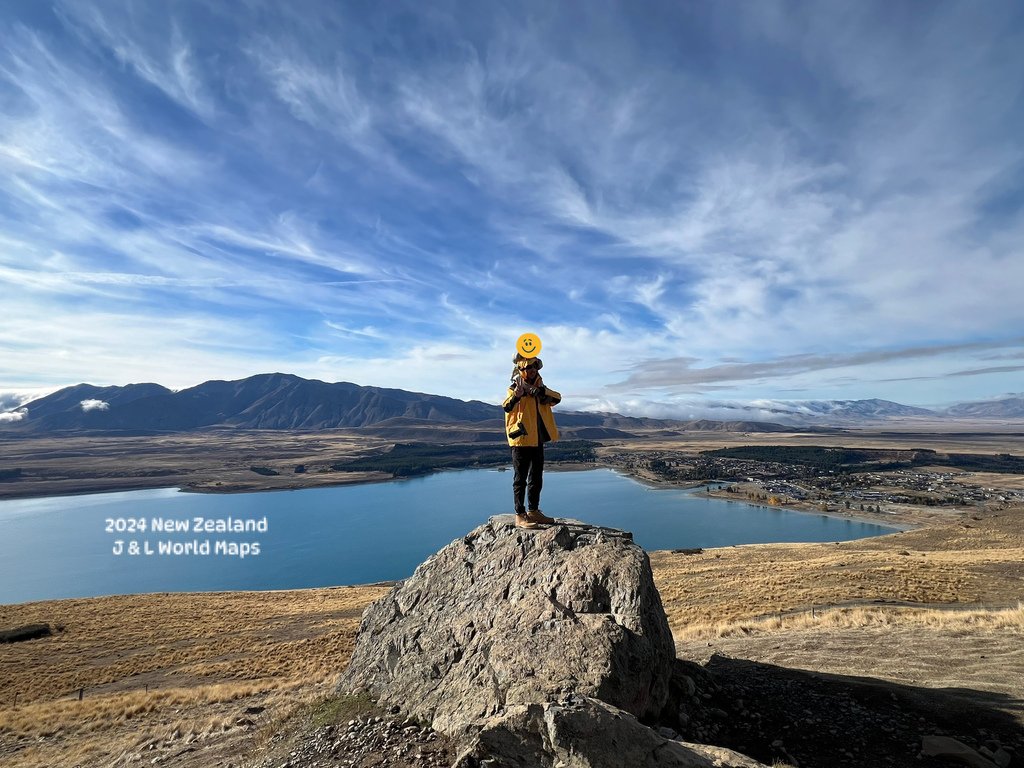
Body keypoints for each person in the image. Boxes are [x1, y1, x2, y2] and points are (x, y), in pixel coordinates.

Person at [502, 353, 561, 529]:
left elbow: (557, 398)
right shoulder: (514, 388)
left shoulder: (541, 389)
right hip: (520, 439)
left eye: (534, 366)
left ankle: (534, 511)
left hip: (537, 439)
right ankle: (520, 515)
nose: (532, 370)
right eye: (528, 367)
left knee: (536, 476)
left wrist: (541, 391)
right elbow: (506, 406)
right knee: (520, 479)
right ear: (521, 369)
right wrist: (517, 396)